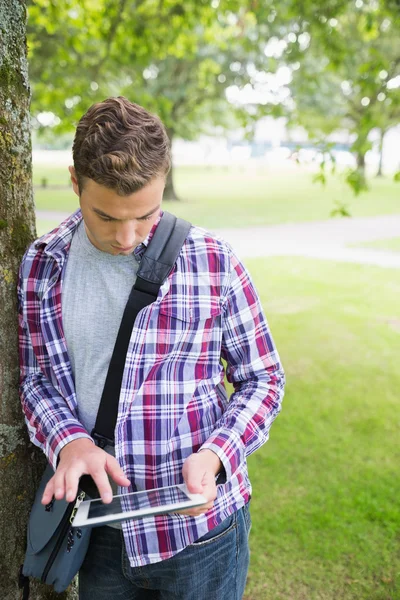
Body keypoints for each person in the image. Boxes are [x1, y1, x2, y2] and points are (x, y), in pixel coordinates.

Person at [18, 96, 285, 600]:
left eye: (145, 216)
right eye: (106, 217)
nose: (126, 237)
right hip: (96, 532)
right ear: (76, 182)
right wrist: (69, 441)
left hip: (201, 535)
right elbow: (38, 381)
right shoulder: (42, 265)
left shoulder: (213, 261)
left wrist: (217, 454)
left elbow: (264, 378)